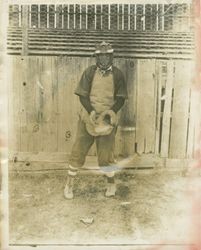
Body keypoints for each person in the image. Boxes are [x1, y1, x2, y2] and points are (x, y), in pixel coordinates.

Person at [64, 41, 127, 199]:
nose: (104, 59)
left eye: (107, 56)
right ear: (96, 58)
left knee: (106, 156)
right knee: (78, 151)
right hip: (88, 117)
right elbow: (82, 96)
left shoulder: (118, 74)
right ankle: (69, 184)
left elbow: (121, 99)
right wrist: (91, 111)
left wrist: (112, 112)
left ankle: (110, 184)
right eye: (101, 56)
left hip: (107, 120)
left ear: (111, 57)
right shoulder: (89, 72)